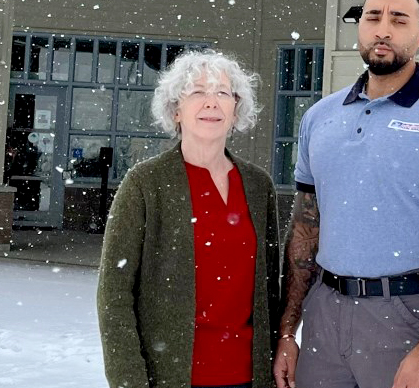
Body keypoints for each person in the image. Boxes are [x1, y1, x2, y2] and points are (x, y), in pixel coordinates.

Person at [273, 0, 419, 387]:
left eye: (399, 20)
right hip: (325, 318)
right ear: (359, 28)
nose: (383, 30)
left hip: (411, 314)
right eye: (373, 18)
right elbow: (304, 231)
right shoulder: (320, 119)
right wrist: (286, 332)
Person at [97, 50, 281, 388]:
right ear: (176, 109)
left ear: (236, 108)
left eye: (222, 93)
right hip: (171, 376)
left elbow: (269, 291)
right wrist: (129, 380)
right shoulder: (145, 183)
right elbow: (114, 296)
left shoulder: (258, 186)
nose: (211, 102)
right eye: (198, 91)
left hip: (248, 376)